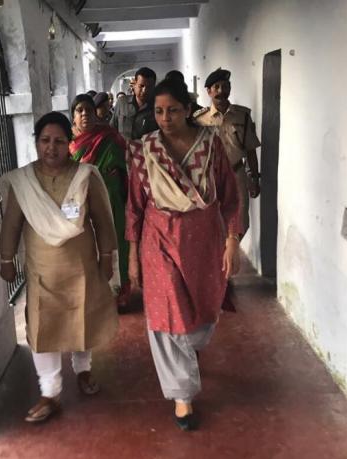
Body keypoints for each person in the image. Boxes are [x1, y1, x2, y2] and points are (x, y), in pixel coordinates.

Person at [125, 78, 242, 431]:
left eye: (173, 111)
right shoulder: (144, 150)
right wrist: (132, 255)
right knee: (167, 314)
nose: (165, 118)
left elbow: (229, 196)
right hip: (159, 239)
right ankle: (182, 397)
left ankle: (188, 352)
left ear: (188, 110)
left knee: (201, 317)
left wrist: (232, 241)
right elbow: (135, 206)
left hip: (203, 242)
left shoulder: (211, 144)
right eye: (159, 111)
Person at [0, 112, 118, 423]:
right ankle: (49, 393)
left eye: (59, 141)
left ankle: (83, 370)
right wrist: (6, 259)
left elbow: (103, 220)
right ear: (36, 142)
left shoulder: (85, 176)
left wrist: (107, 256)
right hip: (42, 272)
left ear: (70, 143)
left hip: (81, 267)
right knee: (42, 328)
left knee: (82, 319)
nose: (51, 147)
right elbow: (11, 224)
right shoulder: (23, 182)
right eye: (45, 140)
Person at [69, 94, 131, 310]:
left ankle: (118, 293)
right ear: (73, 117)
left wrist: (112, 176)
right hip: (81, 208)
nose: (85, 114)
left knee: (116, 246)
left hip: (111, 203)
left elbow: (126, 167)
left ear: (95, 114)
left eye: (89, 110)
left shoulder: (109, 138)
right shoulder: (69, 145)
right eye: (79, 110)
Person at [193, 68, 261, 235]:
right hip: (209, 177)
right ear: (209, 91)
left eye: (225, 86)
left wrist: (254, 177)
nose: (221, 91)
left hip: (236, 173)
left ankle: (231, 247)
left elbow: (250, 150)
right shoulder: (199, 120)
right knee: (211, 222)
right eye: (216, 87)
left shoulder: (242, 116)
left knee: (240, 223)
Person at [111, 67, 158, 140]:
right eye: (141, 86)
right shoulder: (122, 103)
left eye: (149, 87)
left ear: (154, 87)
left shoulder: (157, 107)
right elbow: (112, 128)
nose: (144, 90)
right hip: (123, 146)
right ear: (134, 84)